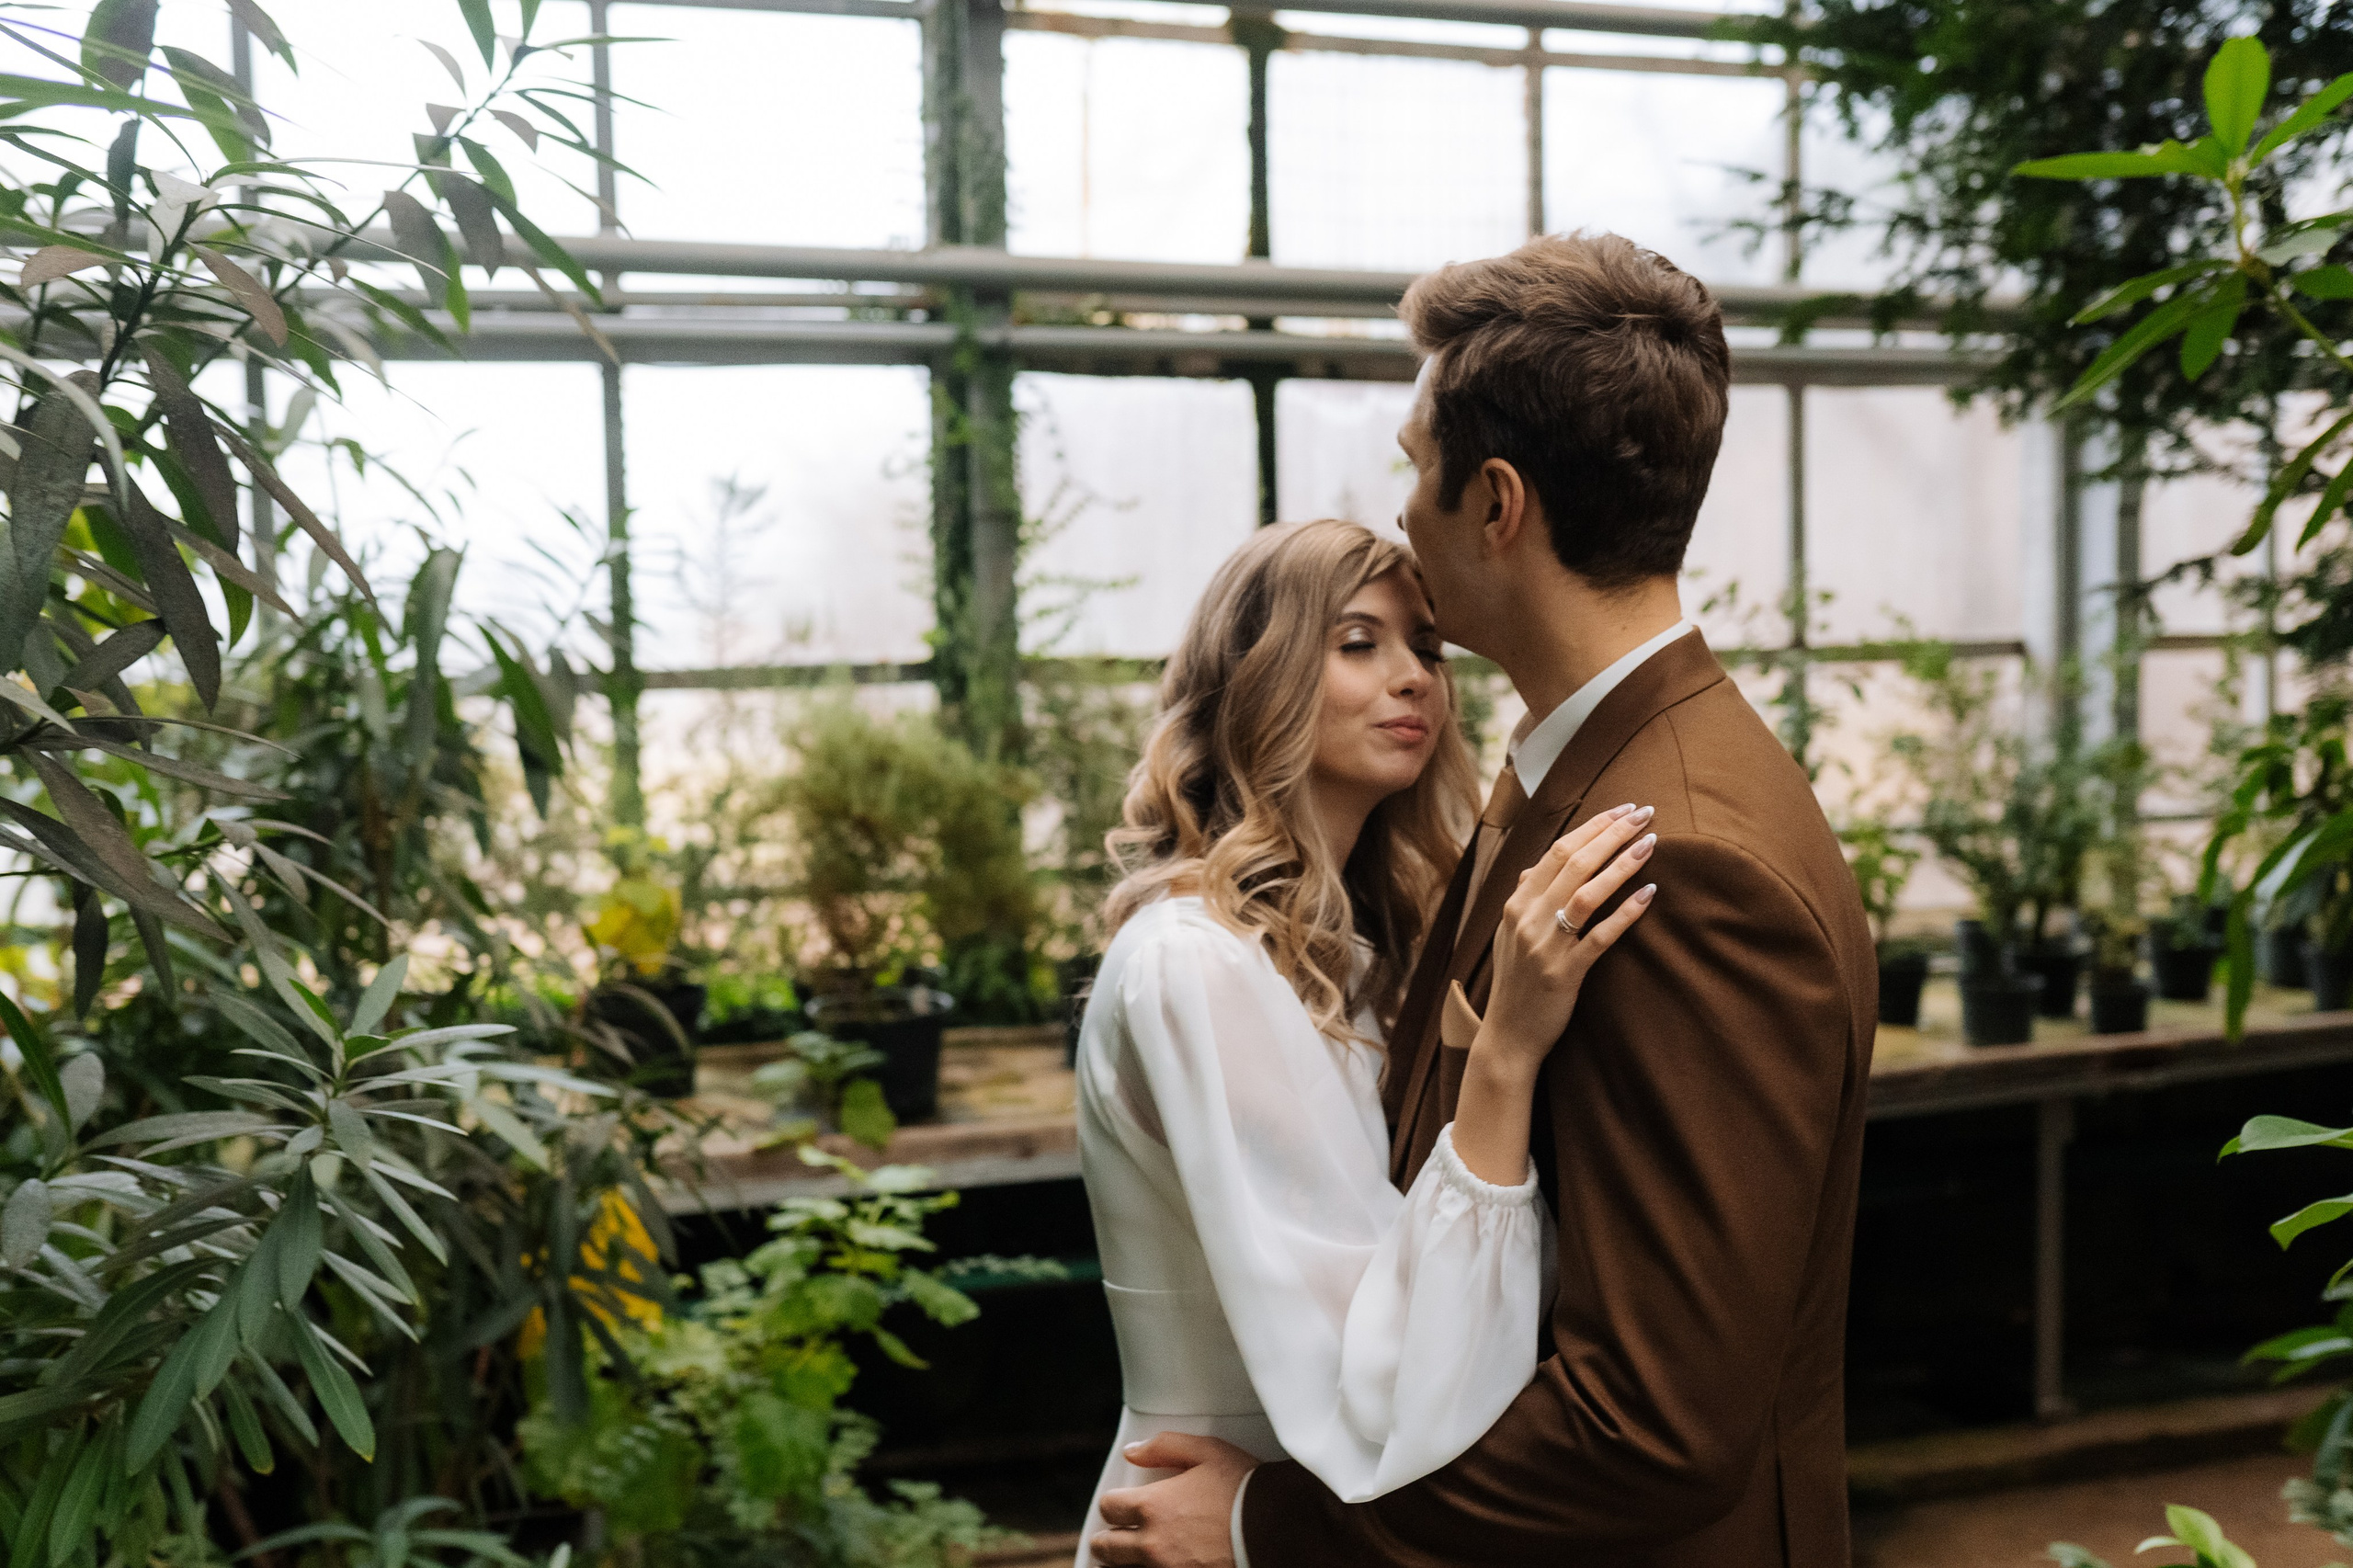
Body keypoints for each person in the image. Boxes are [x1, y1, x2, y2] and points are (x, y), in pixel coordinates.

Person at [1088, 233, 1877, 1568]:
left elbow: (1650, 1424)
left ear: (1497, 502)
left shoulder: (1680, 853)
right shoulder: (1574, 775)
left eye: (1417, 466)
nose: (1405, 512)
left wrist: (1268, 1522)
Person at [1071, 517, 1661, 1566]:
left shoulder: (1356, 955)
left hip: (1322, 1509)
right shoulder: (1195, 964)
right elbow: (1382, 1360)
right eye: (1358, 642)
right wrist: (1506, 1053)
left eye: (1426, 647)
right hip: (1212, 1511)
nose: (1414, 677)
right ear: (1258, 678)